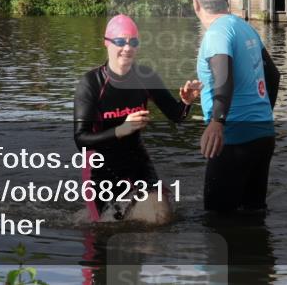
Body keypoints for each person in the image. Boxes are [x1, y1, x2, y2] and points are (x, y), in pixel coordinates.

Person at [73, 14, 201, 223]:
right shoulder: (91, 84)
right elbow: (81, 140)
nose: (127, 48)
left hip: (136, 160)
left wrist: (186, 102)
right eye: (120, 41)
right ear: (107, 43)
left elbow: (176, 116)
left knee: (160, 217)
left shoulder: (145, 77)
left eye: (133, 42)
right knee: (105, 230)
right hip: (101, 169)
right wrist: (120, 130)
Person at [191, 0, 281, 214]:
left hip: (233, 139)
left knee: (217, 220)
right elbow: (273, 76)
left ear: (195, 2)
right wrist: (260, 115)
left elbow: (224, 76)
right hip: (263, 136)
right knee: (253, 214)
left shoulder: (217, 33)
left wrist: (217, 122)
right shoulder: (245, 27)